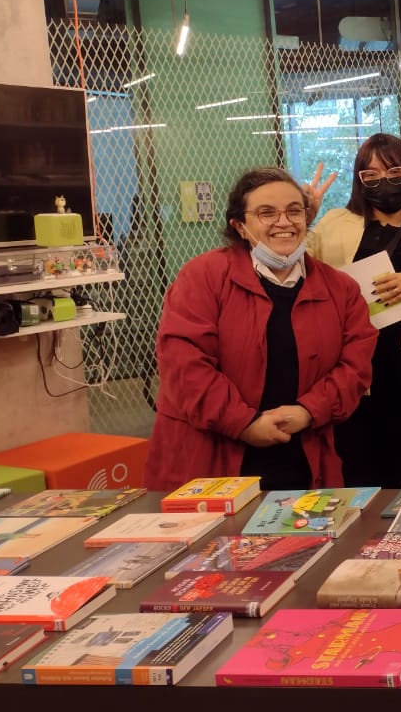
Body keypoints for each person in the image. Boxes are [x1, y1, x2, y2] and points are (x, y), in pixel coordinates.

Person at [146, 167, 376, 492]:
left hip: (304, 461)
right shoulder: (203, 277)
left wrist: (310, 411)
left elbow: (355, 367)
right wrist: (243, 423)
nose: (283, 222)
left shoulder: (341, 289)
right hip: (210, 463)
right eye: (266, 213)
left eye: (294, 211)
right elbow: (184, 364)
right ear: (240, 226)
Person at [307, 134, 401, 488]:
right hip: (347, 370)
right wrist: (304, 219)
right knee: (353, 474)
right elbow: (296, 270)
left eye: (393, 171)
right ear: (359, 181)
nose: (382, 182)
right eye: (370, 175)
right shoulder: (335, 223)